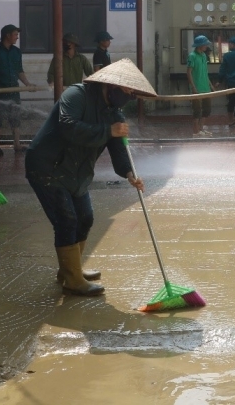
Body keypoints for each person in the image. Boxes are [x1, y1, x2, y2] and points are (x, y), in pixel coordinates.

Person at [26, 59, 154, 296]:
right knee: (66, 220)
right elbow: (68, 126)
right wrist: (107, 131)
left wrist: (130, 174)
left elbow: (119, 151)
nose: (128, 97)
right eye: (127, 91)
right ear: (112, 86)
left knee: (85, 218)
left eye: (132, 94)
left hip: (77, 171)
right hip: (47, 167)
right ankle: (73, 280)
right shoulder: (76, 95)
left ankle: (70, 270)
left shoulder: (115, 114)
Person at [0, 24, 32, 155]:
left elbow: (19, 71)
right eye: (15, 34)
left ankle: (17, 144)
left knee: (15, 117)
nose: (17, 37)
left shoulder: (16, 52)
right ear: (7, 35)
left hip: (14, 90)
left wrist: (27, 84)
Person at [187, 35, 215, 137]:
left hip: (205, 87)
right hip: (197, 87)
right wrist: (193, 87)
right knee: (197, 110)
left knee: (207, 109)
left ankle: (201, 129)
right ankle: (196, 131)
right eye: (205, 44)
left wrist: (210, 85)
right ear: (200, 45)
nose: (207, 46)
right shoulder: (192, 56)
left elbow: (205, 72)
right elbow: (189, 72)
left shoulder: (204, 56)